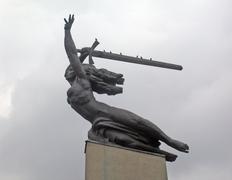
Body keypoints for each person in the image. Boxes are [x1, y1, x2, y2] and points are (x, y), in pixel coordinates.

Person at [64, 15, 189, 161]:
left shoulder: (83, 81)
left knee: (137, 122)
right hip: (98, 123)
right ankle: (159, 153)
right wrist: (84, 54)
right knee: (126, 142)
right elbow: (71, 62)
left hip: (107, 113)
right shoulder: (74, 86)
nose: (69, 71)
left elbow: (71, 53)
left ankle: (170, 141)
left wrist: (67, 31)